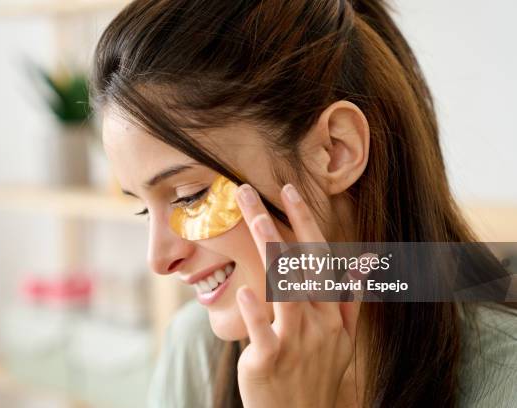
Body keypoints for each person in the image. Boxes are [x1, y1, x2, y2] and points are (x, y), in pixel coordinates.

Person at [91, 0, 517, 406]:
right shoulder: (195, 351)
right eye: (145, 208)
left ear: (335, 150)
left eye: (191, 197)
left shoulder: (506, 376)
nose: (159, 259)